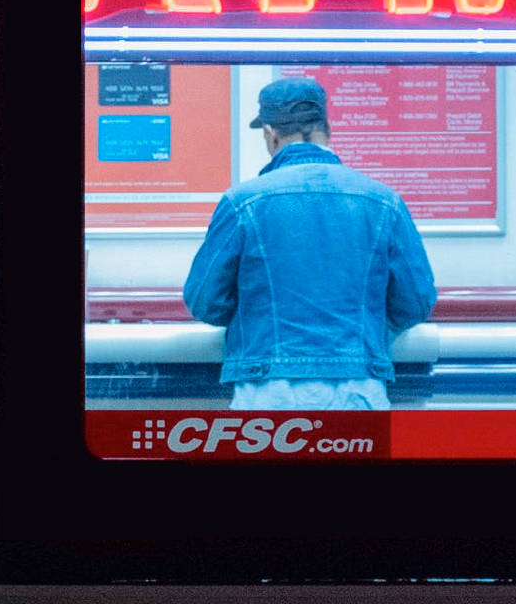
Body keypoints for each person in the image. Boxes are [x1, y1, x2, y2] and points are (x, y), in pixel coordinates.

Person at [182, 77, 436, 410]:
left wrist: (255, 312)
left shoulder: (241, 201)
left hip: (269, 391)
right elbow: (416, 302)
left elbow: (204, 301)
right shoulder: (383, 201)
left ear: (271, 135)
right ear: (325, 129)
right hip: (358, 389)